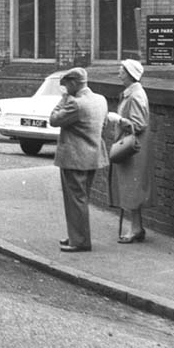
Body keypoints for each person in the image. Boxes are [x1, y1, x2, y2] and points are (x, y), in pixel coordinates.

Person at [49, 67, 109, 252]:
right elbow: (105, 123)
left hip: (74, 158)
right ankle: (76, 236)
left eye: (66, 85)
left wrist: (64, 98)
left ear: (74, 83)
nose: (65, 88)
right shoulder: (100, 100)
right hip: (92, 156)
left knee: (75, 199)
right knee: (82, 198)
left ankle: (80, 241)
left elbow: (53, 119)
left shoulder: (75, 104)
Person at [107, 58, 155, 243]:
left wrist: (118, 119)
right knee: (130, 187)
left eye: (122, 69)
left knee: (132, 188)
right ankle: (137, 227)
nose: (119, 72)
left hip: (134, 150)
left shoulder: (136, 95)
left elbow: (139, 124)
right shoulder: (132, 93)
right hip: (131, 148)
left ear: (129, 74)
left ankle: (135, 229)